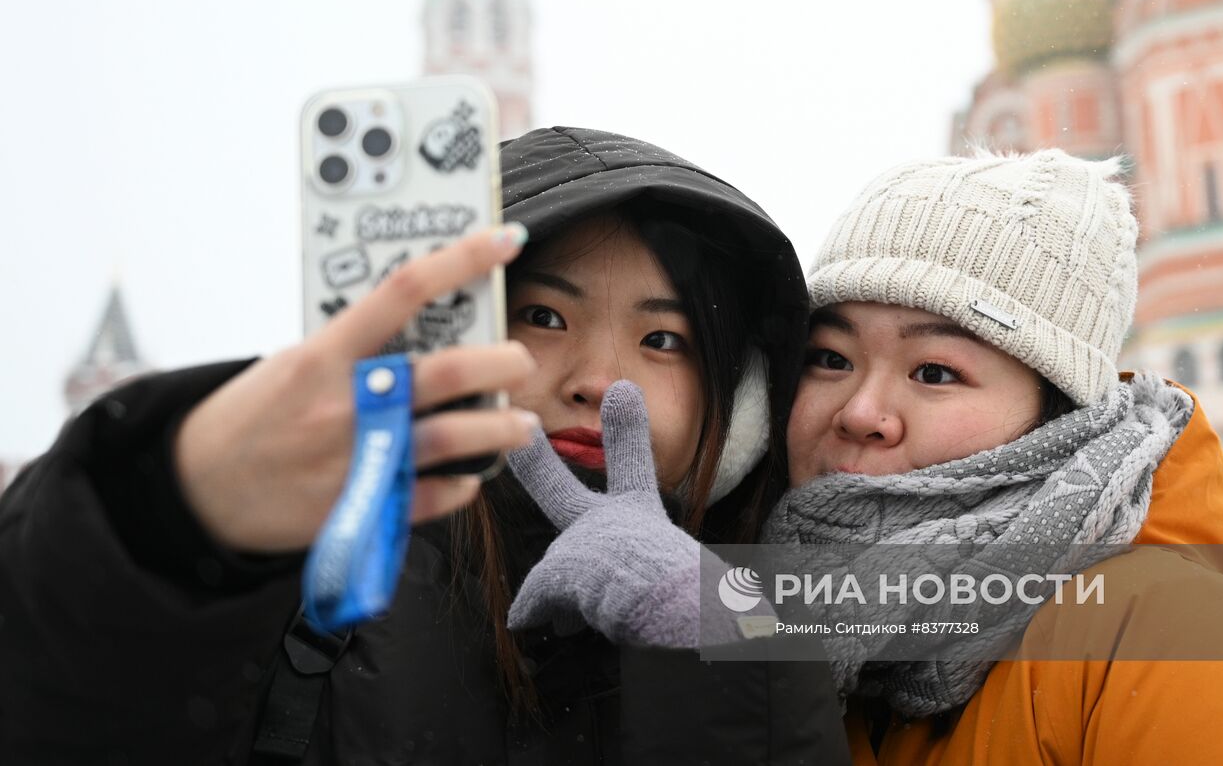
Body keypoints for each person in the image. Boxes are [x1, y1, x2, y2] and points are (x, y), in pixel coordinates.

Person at [509, 149, 1223, 764]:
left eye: (935, 371)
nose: (862, 412)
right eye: (830, 358)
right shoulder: (818, 643)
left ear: (1058, 417)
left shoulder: (1186, 651)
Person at [0, 126, 846, 764]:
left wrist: (718, 626)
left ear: (735, 413)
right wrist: (169, 513)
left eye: (665, 341)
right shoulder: (297, 594)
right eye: (542, 317)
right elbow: (65, 698)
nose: (600, 381)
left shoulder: (793, 598)